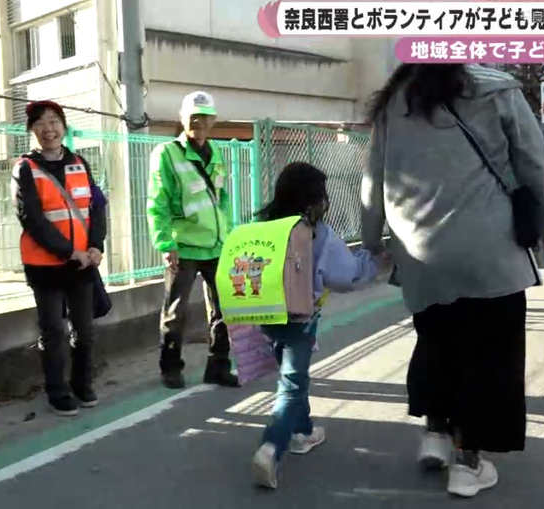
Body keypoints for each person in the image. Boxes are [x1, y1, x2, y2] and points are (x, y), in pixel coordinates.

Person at [361, 64, 544, 498]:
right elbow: (531, 159)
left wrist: (370, 237)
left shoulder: (395, 100)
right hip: (487, 248)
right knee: (490, 355)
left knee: (437, 340)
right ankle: (468, 463)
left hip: (418, 251)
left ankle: (436, 433)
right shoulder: (496, 88)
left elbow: (373, 177)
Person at [248, 162, 387, 489]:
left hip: (265, 317)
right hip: (300, 319)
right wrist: (374, 261)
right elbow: (346, 276)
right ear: (313, 201)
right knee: (292, 385)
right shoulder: (316, 233)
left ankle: (303, 432)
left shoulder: (264, 225)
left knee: (295, 377)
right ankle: (271, 446)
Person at [13, 100, 107, 417]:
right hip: (45, 267)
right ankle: (57, 391)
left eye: (54, 121)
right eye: (40, 123)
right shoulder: (25, 168)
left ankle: (82, 384)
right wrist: (69, 252)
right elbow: (32, 219)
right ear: (31, 131)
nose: (48, 128)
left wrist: (96, 246)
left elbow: (96, 207)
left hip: (81, 264)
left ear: (64, 127)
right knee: (54, 330)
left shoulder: (80, 163)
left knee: (85, 330)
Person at [146, 91, 239, 389]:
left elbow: (222, 198)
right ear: (182, 118)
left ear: (213, 120)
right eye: (193, 117)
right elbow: (156, 202)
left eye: (205, 117)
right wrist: (165, 244)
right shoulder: (166, 153)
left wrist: (228, 235)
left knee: (225, 310)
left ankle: (218, 366)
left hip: (216, 246)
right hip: (182, 247)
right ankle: (170, 368)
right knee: (176, 311)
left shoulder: (217, 153)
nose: (199, 122)